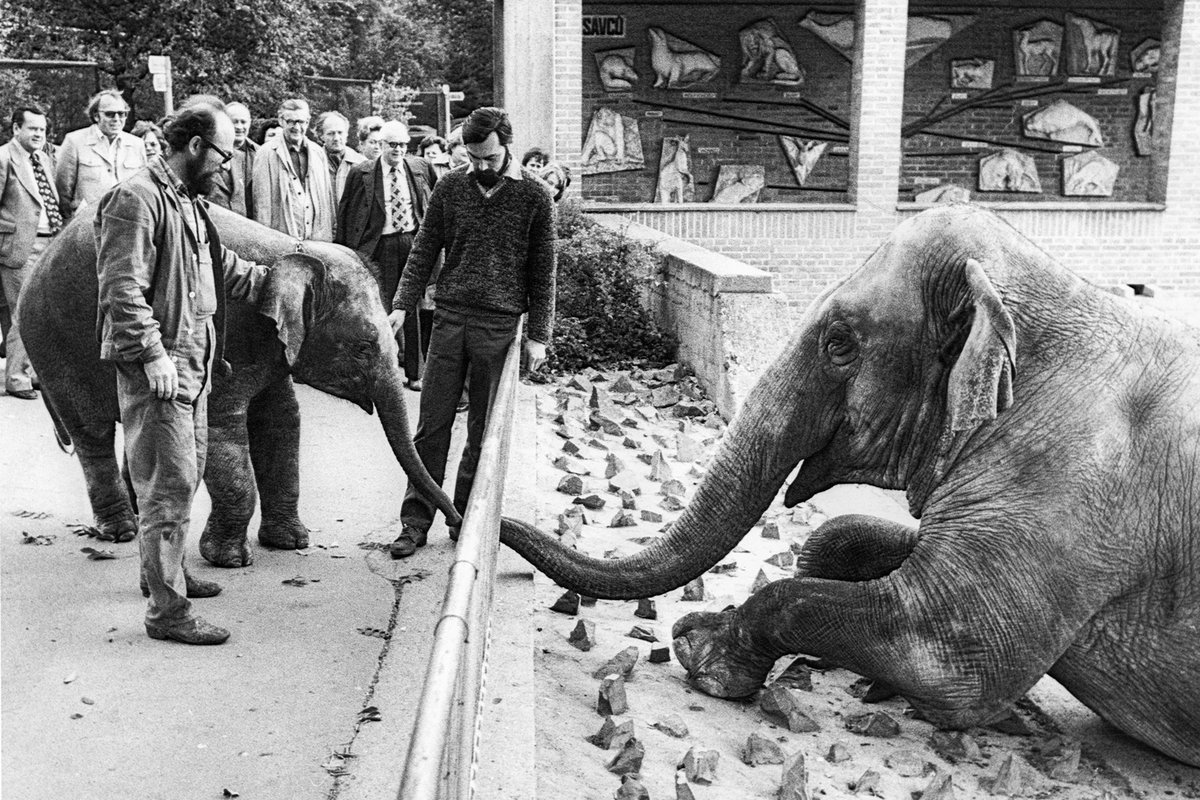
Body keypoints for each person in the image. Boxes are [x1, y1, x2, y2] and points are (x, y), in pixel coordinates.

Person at [95, 101, 272, 645]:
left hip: (194, 369)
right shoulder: (137, 199)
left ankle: (164, 578)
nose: (227, 166)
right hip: (163, 370)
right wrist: (152, 354)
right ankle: (167, 615)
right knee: (167, 489)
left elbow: (217, 267)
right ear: (195, 146)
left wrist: (279, 276)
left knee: (183, 479)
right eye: (223, 153)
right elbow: (120, 289)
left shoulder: (188, 202)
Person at [386, 107, 556, 559]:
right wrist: (403, 304)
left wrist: (538, 334)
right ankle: (415, 520)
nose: (480, 166)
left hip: (499, 326)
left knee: (483, 432)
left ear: (506, 147)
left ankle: (464, 519)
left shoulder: (535, 196)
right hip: (450, 318)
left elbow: (544, 273)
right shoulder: (450, 185)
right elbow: (424, 248)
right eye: (473, 157)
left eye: (489, 157)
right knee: (431, 425)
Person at [337, 120, 437, 390]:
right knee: (376, 307)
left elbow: (435, 202)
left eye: (403, 145)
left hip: (411, 242)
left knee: (411, 307)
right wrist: (344, 251)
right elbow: (346, 212)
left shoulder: (419, 167)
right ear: (381, 145)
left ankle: (415, 373)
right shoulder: (362, 172)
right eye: (393, 145)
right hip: (378, 245)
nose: (398, 150)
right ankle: (376, 372)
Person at [1, 105, 62, 400]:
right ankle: (15, 376)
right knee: (22, 313)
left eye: (42, 129)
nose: (39, 134)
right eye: (32, 128)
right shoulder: (3, 158)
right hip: (20, 248)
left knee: (43, 313)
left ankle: (36, 372)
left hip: (50, 243)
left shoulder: (44, 158)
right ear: (16, 129)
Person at [56, 89, 147, 218]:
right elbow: (63, 190)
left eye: (121, 114)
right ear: (96, 116)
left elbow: (142, 186)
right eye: (110, 114)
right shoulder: (75, 141)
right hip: (87, 222)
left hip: (126, 221)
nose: (116, 119)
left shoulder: (137, 144)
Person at [252, 98, 333, 240]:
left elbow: (326, 198)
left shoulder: (318, 152)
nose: (296, 127)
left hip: (316, 237)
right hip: (282, 236)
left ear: (307, 122)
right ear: (281, 121)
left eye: (301, 122)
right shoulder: (266, 153)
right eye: (291, 121)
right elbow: (262, 205)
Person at [206, 100, 257, 217]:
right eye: (234, 122)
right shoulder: (208, 151)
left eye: (243, 122)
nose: (239, 126)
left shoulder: (259, 154)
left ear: (250, 123)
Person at [317, 110, 365, 213]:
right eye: (330, 133)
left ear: (347, 134)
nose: (336, 138)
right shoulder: (313, 162)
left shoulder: (361, 163)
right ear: (321, 136)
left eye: (340, 132)